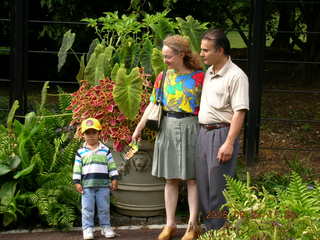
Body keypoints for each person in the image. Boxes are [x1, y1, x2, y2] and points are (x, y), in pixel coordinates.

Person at [132, 35, 205, 240]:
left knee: (192, 179)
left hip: (192, 127)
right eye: (164, 56)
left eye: (168, 56)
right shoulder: (163, 77)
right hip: (168, 127)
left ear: (181, 54)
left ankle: (192, 226)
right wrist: (139, 127)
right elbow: (153, 104)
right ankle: (170, 225)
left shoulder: (200, 77)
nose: (165, 60)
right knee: (170, 179)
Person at [196, 28, 249, 231]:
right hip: (203, 133)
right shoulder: (209, 72)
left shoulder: (237, 76)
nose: (201, 54)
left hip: (221, 134)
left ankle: (216, 230)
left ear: (220, 50)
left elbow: (240, 112)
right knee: (204, 184)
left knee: (218, 187)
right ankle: (209, 226)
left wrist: (228, 142)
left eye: (205, 50)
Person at [73, 118, 119, 240]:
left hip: (103, 186)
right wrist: (77, 182)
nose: (91, 136)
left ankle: (106, 227)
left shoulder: (105, 151)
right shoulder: (80, 152)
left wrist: (114, 179)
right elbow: (77, 168)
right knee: (87, 209)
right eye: (88, 133)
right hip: (87, 187)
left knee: (104, 208)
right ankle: (87, 229)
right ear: (83, 135)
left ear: (99, 133)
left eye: (94, 132)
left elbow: (112, 166)